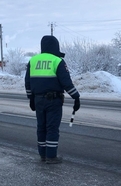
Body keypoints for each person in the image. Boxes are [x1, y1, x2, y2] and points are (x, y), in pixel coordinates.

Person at [25, 35, 80, 164]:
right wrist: (76, 97)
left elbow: (27, 82)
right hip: (53, 101)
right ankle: (51, 156)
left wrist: (31, 98)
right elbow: (66, 82)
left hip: (38, 100)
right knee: (52, 128)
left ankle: (43, 155)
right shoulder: (57, 61)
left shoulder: (33, 61)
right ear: (55, 46)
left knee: (41, 127)